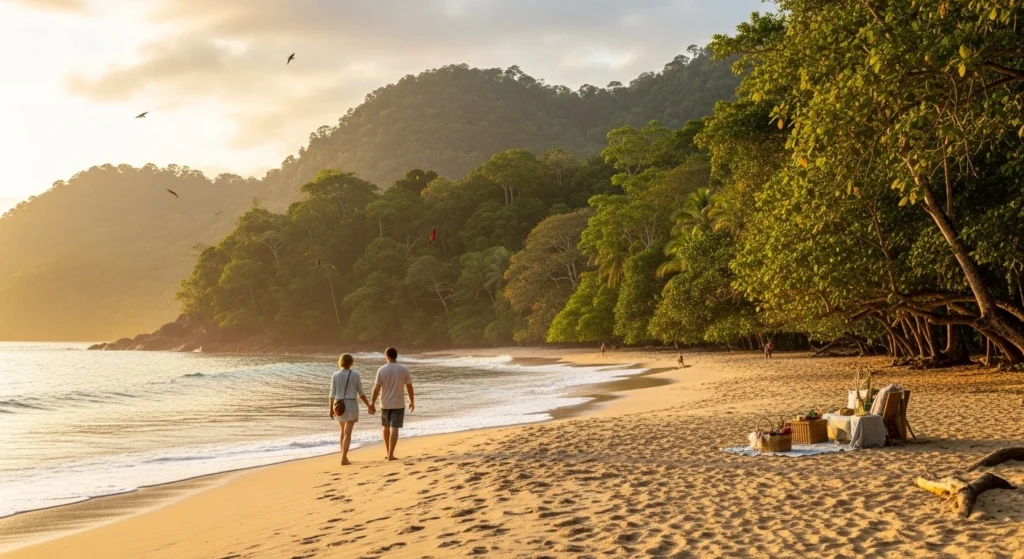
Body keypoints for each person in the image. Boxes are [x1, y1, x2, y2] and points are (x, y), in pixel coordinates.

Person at [329, 353, 374, 465]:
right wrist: (368, 405)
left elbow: (332, 394)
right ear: (351, 362)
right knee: (348, 433)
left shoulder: (335, 375)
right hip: (351, 404)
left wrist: (330, 409)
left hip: (338, 405)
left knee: (342, 432)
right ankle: (344, 458)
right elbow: (361, 393)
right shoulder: (355, 375)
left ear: (341, 362)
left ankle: (344, 456)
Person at [370, 347, 414, 461]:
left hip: (385, 403)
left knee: (385, 427)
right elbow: (409, 387)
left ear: (386, 356)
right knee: (395, 428)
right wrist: (412, 401)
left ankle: (387, 451)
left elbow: (376, 388)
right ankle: (391, 454)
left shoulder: (381, 370)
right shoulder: (403, 369)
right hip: (398, 403)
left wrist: (372, 403)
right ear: (396, 356)